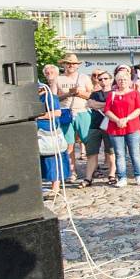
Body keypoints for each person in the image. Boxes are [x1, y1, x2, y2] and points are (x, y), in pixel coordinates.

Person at [104, 71, 140, 187]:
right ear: (116, 81)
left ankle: (138, 175)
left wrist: (126, 119)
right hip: (115, 127)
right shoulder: (112, 94)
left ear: (129, 81)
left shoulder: (135, 93)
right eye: (120, 79)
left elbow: (139, 109)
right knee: (120, 154)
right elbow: (107, 110)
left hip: (132, 126)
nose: (122, 81)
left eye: (125, 79)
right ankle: (122, 177)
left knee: (135, 153)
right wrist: (117, 120)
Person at [56, 53, 92, 183]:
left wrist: (79, 93)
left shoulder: (84, 78)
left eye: (73, 63)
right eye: (68, 63)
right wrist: (67, 94)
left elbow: (91, 95)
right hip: (65, 113)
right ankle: (72, 172)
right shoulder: (58, 79)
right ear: (63, 65)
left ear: (77, 66)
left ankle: (91, 170)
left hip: (82, 112)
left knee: (88, 142)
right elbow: (54, 98)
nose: (71, 65)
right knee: (68, 145)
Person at [83, 71, 117, 187]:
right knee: (92, 153)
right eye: (100, 79)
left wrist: (100, 104)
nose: (103, 81)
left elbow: (116, 105)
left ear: (111, 80)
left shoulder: (115, 93)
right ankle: (88, 177)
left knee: (111, 152)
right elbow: (91, 104)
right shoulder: (94, 94)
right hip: (95, 125)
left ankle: (112, 175)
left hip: (111, 125)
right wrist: (107, 104)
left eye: (105, 79)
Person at [37, 85, 68, 200]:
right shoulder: (31, 97)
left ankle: (55, 188)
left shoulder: (49, 97)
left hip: (48, 132)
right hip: (36, 132)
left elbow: (57, 112)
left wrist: (38, 117)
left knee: (52, 160)